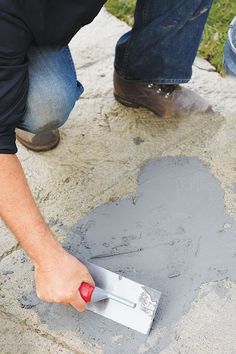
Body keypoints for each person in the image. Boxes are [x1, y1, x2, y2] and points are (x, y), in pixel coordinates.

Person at [0, 0, 213, 312]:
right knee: (47, 102)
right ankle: (15, 104)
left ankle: (144, 76)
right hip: (15, 25)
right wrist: (48, 258)